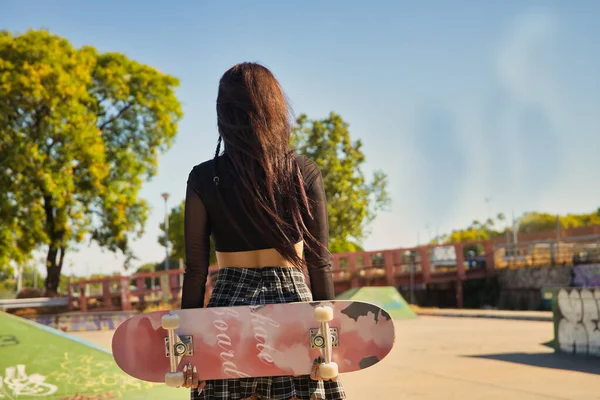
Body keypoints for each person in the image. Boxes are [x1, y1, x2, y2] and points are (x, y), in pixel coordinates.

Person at [179, 62, 346, 400]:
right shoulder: (302, 171)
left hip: (227, 311)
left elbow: (196, 270)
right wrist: (330, 340)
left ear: (223, 114)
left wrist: (186, 348)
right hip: (293, 307)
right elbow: (319, 263)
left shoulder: (202, 177)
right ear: (275, 109)